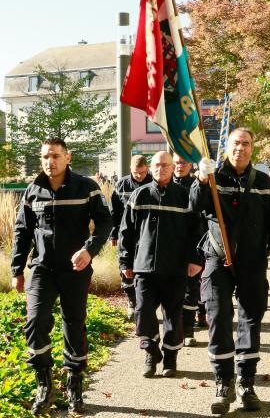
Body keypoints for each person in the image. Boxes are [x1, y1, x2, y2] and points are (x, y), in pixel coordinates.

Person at [191, 128, 270, 414]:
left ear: (252, 148)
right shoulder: (212, 177)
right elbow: (194, 207)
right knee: (219, 317)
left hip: (252, 263)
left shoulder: (263, 183)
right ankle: (224, 382)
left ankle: (246, 382)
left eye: (246, 143)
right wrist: (200, 179)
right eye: (236, 143)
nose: (241, 148)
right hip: (217, 260)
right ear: (227, 146)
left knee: (251, 320)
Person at [11, 137, 112, 416]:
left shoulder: (86, 187)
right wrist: (17, 269)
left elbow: (105, 221)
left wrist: (89, 250)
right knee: (35, 320)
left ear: (68, 157)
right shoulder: (33, 191)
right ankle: (44, 384)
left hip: (75, 270)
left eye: (55, 156)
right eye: (45, 156)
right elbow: (22, 232)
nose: (49, 161)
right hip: (42, 269)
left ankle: (74, 385)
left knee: (73, 323)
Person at [119, 151, 202, 378]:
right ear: (150, 167)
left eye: (165, 165)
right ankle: (151, 352)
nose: (161, 169)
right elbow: (126, 232)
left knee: (173, 316)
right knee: (143, 311)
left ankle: (171, 358)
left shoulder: (184, 197)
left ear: (172, 167)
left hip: (175, 268)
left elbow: (197, 232)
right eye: (157, 165)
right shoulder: (139, 195)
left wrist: (196, 260)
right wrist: (125, 261)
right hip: (144, 268)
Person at [109, 155, 152, 320]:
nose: (139, 176)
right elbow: (115, 211)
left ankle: (145, 304)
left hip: (147, 233)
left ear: (147, 168)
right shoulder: (121, 185)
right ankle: (131, 302)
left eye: (142, 172)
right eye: (136, 173)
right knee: (126, 269)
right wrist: (114, 232)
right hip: (126, 233)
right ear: (130, 170)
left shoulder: (154, 182)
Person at [172, 153, 205, 347]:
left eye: (182, 162)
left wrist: (197, 256)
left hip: (192, 244)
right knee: (173, 292)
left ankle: (189, 329)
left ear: (190, 164)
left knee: (191, 290)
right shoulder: (166, 184)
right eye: (175, 162)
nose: (179, 166)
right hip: (170, 246)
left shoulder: (196, 184)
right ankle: (176, 330)